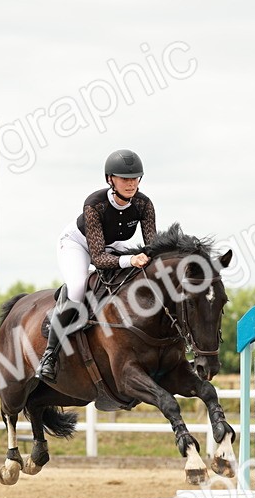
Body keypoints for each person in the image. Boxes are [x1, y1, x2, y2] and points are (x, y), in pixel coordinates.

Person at [37, 149, 158, 383]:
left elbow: (152, 245)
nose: (131, 184)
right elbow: (99, 258)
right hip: (78, 244)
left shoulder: (144, 204)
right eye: (125, 178)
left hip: (114, 245)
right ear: (110, 179)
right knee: (77, 287)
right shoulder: (95, 204)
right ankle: (49, 356)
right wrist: (130, 259)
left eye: (135, 178)